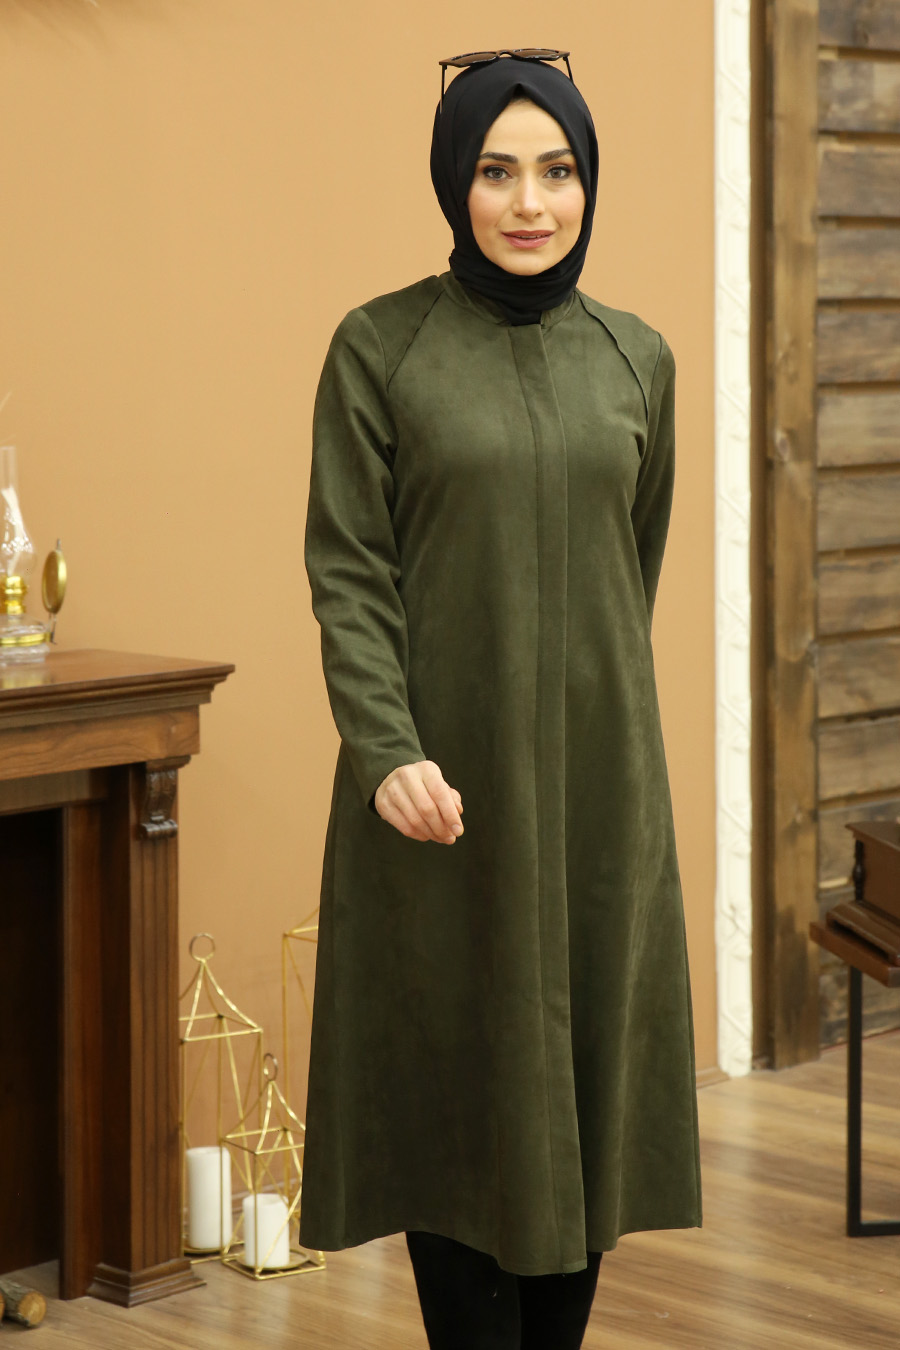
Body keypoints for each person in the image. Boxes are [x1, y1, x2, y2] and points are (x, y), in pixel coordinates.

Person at [300, 49, 703, 1349]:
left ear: (588, 183)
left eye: (558, 170)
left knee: (583, 1105)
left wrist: (584, 717)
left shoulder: (639, 359)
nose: (531, 201)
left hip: (596, 801)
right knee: (456, 1110)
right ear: (452, 182)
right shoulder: (380, 348)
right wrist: (388, 750)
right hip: (438, 798)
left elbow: (627, 568)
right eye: (496, 170)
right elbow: (351, 570)